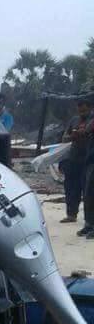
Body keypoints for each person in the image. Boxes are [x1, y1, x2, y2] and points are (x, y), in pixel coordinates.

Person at [60, 96, 94, 229]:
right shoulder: (74, 120)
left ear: (90, 109)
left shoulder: (92, 120)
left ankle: (88, 220)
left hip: (88, 159)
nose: (82, 113)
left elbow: (88, 132)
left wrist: (83, 133)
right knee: (70, 187)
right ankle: (71, 214)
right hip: (73, 158)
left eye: (84, 111)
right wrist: (72, 136)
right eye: (80, 111)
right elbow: (64, 138)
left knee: (88, 190)